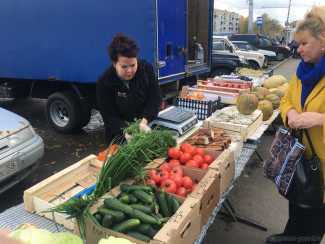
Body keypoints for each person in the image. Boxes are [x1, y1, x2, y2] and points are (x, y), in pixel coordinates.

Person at [266, 5, 325, 244]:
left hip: (322, 161)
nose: (297, 49)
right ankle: (290, 235)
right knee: (297, 201)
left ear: (322, 40)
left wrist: (320, 119)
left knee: (315, 214)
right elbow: (287, 98)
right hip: (299, 153)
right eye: (296, 44)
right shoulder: (302, 71)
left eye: (303, 43)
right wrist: (289, 111)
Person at [97, 33, 162, 145]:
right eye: (124, 67)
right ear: (114, 63)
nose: (129, 71)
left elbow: (155, 98)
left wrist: (143, 122)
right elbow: (109, 116)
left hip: (145, 129)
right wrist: (126, 132)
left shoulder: (146, 69)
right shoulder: (105, 81)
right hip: (118, 137)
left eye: (133, 65)